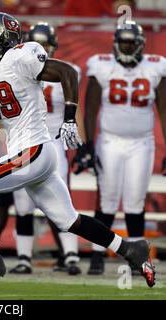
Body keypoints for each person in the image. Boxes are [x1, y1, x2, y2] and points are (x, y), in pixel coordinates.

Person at [0, 12, 155, 287]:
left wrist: (70, 118)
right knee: (69, 220)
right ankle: (131, 250)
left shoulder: (21, 56)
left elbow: (66, 72)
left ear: (4, 40)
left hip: (34, 148)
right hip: (30, 153)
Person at [74, 21, 166, 275]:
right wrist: (89, 144)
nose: (126, 46)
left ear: (140, 45)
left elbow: (164, 109)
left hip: (142, 142)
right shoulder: (102, 64)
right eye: (123, 41)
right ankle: (97, 254)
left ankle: (138, 258)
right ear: (116, 43)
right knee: (107, 200)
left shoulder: (155, 67)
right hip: (109, 141)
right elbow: (91, 108)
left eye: (130, 42)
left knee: (135, 200)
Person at [9, 22, 85, 276]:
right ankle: (23, 257)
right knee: (22, 203)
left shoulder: (64, 71)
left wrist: (80, 140)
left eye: (47, 44)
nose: (43, 48)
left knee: (63, 199)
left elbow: (76, 105)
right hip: (25, 141)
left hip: (53, 143)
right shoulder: (18, 69)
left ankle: (71, 256)